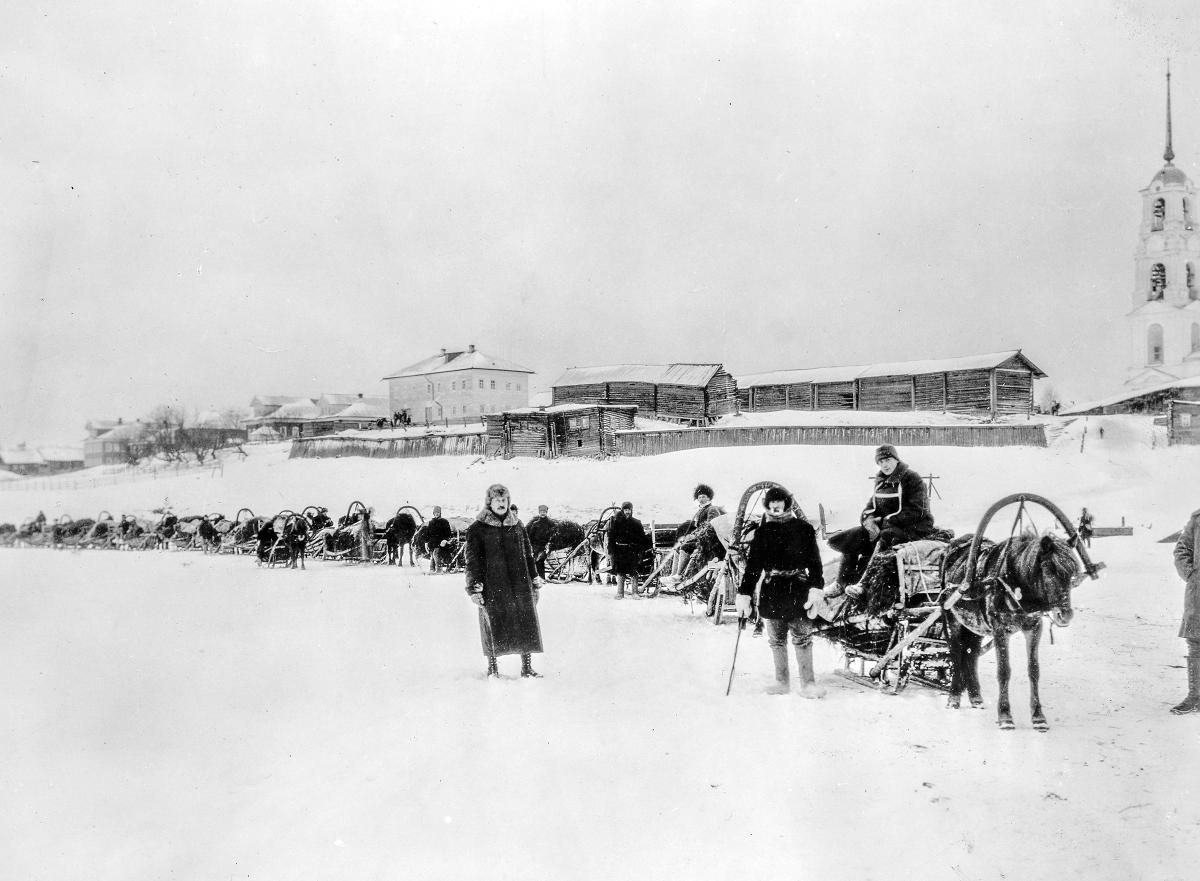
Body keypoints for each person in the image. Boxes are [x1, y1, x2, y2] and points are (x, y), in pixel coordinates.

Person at [736, 486, 826, 696]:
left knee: (802, 637)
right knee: (776, 639)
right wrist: (745, 593)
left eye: (779, 501)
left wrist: (815, 588)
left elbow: (815, 563)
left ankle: (808, 684)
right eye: (771, 502)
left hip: (798, 588)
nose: (775, 505)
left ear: (787, 503)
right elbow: (753, 567)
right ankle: (781, 682)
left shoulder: (803, 528)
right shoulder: (762, 532)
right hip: (772, 589)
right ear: (766, 506)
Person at [828, 444, 935, 596]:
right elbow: (870, 506)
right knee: (853, 536)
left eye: (888, 460)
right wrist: (868, 521)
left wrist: (885, 522)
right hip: (887, 525)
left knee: (886, 536)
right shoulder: (880, 482)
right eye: (881, 461)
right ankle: (841, 582)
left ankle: (864, 584)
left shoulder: (912, 478)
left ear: (896, 460)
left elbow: (918, 511)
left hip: (913, 527)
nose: (885, 464)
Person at [465, 483, 545, 678]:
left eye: (504, 500)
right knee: (492, 623)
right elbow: (472, 560)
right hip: (492, 585)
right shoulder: (477, 528)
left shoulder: (517, 525)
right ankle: (493, 669)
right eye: (497, 500)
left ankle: (526, 668)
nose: (501, 504)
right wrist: (473, 587)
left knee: (525, 622)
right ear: (489, 502)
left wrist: (534, 577)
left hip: (520, 584)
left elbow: (528, 554)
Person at [662, 484, 725, 586]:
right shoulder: (701, 511)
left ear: (709, 497)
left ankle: (679, 575)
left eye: (703, 496)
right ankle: (673, 575)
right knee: (678, 548)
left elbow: (711, 526)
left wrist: (694, 536)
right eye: (699, 497)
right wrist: (689, 536)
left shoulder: (712, 509)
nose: (701, 499)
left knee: (686, 547)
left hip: (711, 541)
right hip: (703, 538)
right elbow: (698, 529)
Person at [1170, 510, 1200, 714]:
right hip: (1198, 592)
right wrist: (1191, 574)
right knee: (1196, 643)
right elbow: (1181, 549)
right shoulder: (1198, 520)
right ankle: (1195, 696)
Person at [608, 501, 652, 599]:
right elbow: (611, 538)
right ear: (623, 510)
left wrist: (640, 551)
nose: (627, 512)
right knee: (620, 572)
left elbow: (642, 539)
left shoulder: (637, 523)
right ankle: (620, 593)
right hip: (620, 551)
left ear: (631, 510)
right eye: (625, 509)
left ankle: (635, 593)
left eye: (629, 510)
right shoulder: (616, 522)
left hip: (632, 551)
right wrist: (611, 552)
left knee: (634, 571)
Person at [525, 505, 555, 579]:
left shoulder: (550, 523)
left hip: (544, 546)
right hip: (535, 546)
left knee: (540, 561)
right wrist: (531, 546)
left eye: (544, 512)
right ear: (539, 512)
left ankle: (542, 578)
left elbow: (553, 534)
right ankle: (535, 578)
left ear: (546, 512)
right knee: (534, 562)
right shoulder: (535, 524)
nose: (543, 513)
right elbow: (530, 536)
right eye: (541, 512)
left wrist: (549, 543)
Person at [424, 506, 454, 572]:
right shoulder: (431, 522)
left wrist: (445, 540)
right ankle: (432, 569)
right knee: (432, 556)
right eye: (435, 512)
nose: (436, 514)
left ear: (440, 513)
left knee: (436, 554)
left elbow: (448, 533)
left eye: (438, 512)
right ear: (433, 513)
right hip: (432, 543)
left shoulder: (444, 522)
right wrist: (426, 542)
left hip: (440, 543)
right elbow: (428, 533)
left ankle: (439, 569)